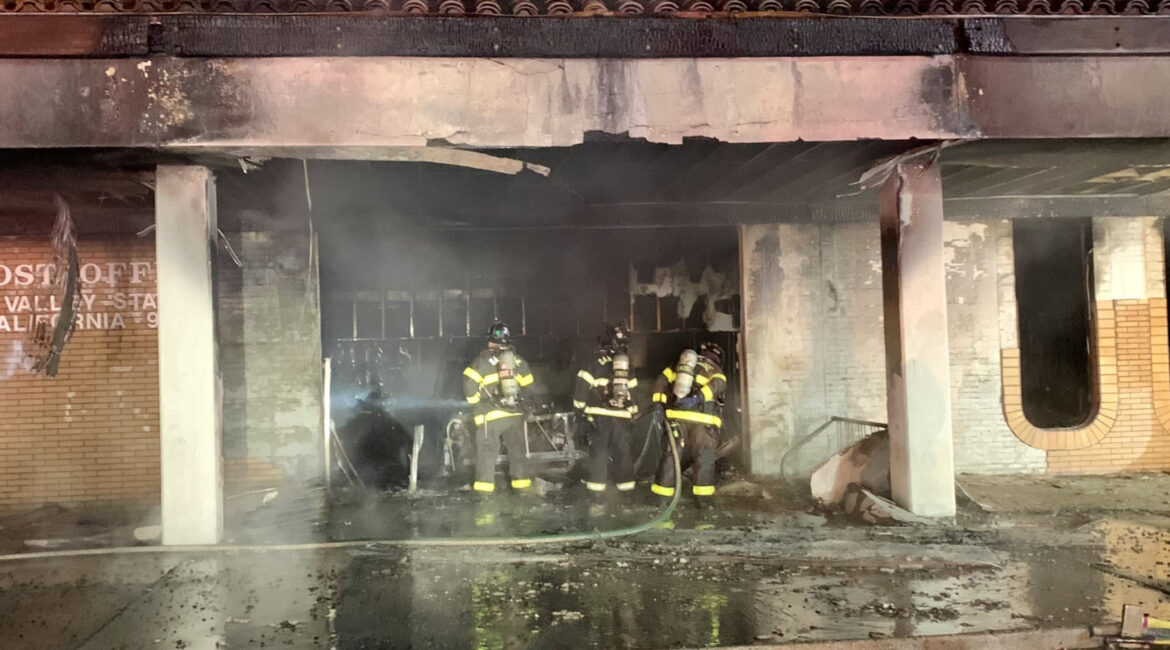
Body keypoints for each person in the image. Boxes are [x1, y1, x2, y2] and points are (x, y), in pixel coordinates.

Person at [462, 321, 538, 495]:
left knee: (487, 456)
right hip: (515, 414)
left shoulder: (481, 360)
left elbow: (468, 385)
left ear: (490, 340)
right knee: (517, 453)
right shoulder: (518, 360)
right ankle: (522, 491)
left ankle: (484, 497)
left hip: (490, 416)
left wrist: (476, 403)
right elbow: (529, 387)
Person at [650, 341, 727, 499]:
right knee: (704, 460)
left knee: (671, 458)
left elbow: (661, 383)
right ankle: (703, 503)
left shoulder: (677, 365)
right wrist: (697, 398)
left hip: (676, 420)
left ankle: (661, 501)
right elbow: (718, 385)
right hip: (704, 423)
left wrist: (659, 404)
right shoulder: (715, 369)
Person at [573, 321, 639, 495]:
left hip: (598, 418)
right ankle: (626, 493)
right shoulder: (627, 366)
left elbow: (581, 391)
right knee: (623, 454)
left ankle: (596, 495)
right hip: (622, 417)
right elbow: (634, 396)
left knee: (599, 454)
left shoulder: (594, 362)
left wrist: (580, 413)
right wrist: (631, 415)